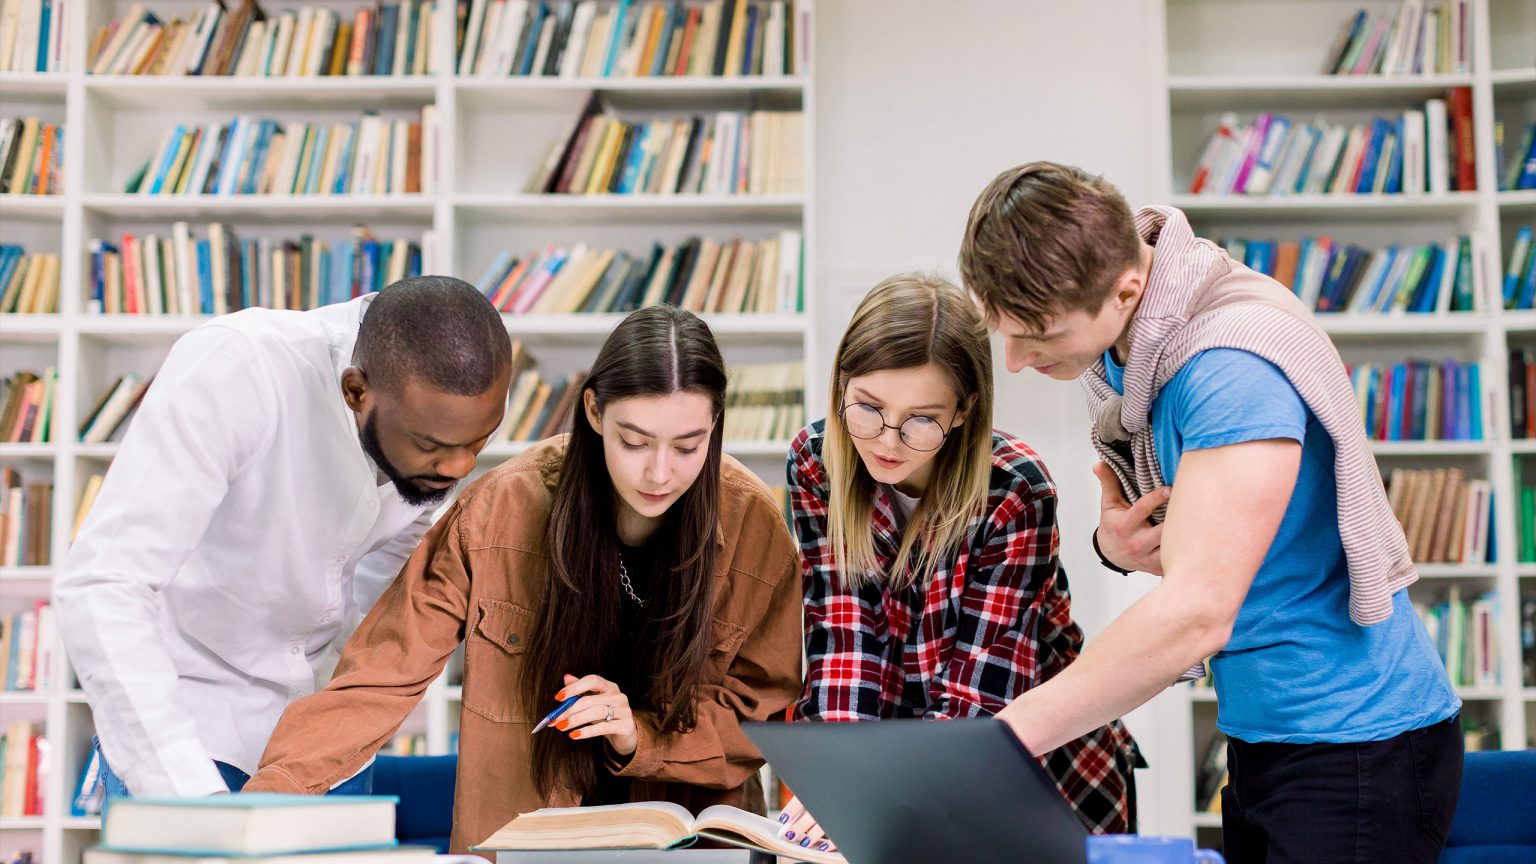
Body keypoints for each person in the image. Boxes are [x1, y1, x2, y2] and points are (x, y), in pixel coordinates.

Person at [959, 161, 1462, 862]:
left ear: (1126, 288)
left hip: (1355, 741)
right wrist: (1115, 544)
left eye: (1036, 335)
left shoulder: (1232, 365)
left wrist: (1000, 743)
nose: (1012, 360)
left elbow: (1198, 612)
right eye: (1000, 331)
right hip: (1264, 730)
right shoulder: (1132, 343)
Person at [243, 305, 803, 856]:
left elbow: (759, 716)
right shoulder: (501, 509)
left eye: (688, 446)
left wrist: (638, 734)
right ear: (592, 411)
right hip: (526, 842)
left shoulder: (754, 527)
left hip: (693, 844)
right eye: (634, 441)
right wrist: (255, 814)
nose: (660, 473)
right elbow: (379, 677)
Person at [55, 276, 513, 799]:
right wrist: (186, 796)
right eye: (431, 444)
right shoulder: (238, 370)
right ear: (355, 391)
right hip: (189, 727)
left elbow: (385, 568)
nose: (460, 465)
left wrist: (344, 716)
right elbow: (104, 584)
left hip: (323, 740)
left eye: (480, 439)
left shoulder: (442, 416)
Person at [777, 275, 1140, 852]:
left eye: (921, 418)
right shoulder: (816, 463)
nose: (887, 440)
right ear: (840, 385)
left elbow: (979, 701)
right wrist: (840, 789)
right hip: (891, 771)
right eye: (868, 408)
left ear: (964, 411)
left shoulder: (1014, 489)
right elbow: (843, 639)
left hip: (1037, 777)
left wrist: (870, 796)